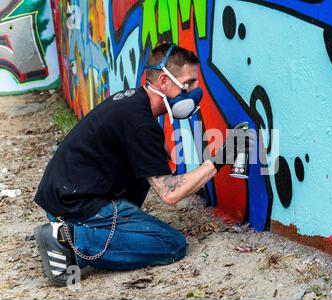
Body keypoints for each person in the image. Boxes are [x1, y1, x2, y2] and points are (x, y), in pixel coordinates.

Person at [33, 43, 256, 286]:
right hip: (76, 206)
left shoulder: (134, 104)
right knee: (172, 244)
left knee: (141, 187)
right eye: (189, 83)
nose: (195, 90)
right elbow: (170, 194)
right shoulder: (141, 123)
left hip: (62, 200)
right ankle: (70, 240)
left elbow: (157, 158)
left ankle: (71, 232)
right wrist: (221, 158)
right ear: (163, 80)